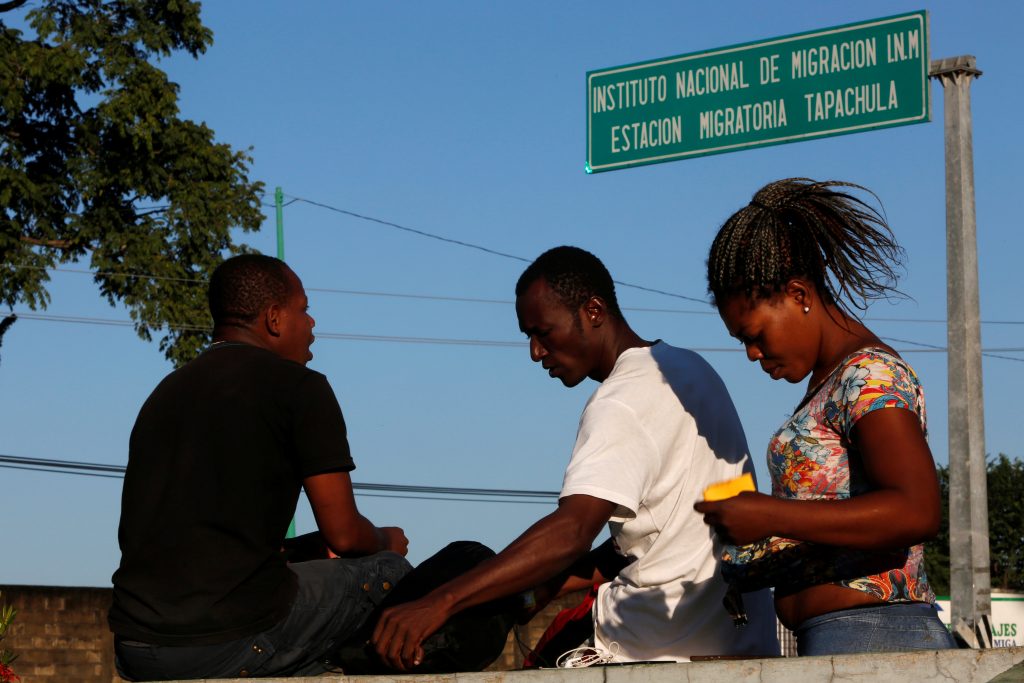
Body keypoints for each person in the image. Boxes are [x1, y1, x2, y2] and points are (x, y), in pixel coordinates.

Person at [371, 246, 778, 669]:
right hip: (743, 639)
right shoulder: (689, 369)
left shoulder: (620, 400)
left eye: (543, 331)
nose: (535, 351)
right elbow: (667, 536)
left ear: (594, 310)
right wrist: (545, 587)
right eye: (528, 336)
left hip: (654, 646)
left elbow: (572, 529)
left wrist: (441, 601)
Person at [108, 254, 411, 679]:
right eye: (304, 310)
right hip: (224, 638)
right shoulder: (301, 388)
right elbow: (344, 534)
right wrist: (386, 540)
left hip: (136, 644)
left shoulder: (166, 392)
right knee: (388, 573)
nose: (312, 324)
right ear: (273, 318)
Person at [696, 178, 957, 655]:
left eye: (754, 334)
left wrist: (771, 514)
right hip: (839, 640)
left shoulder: (869, 375)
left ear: (798, 294)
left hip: (877, 637)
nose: (753, 353)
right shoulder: (830, 383)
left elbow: (917, 509)